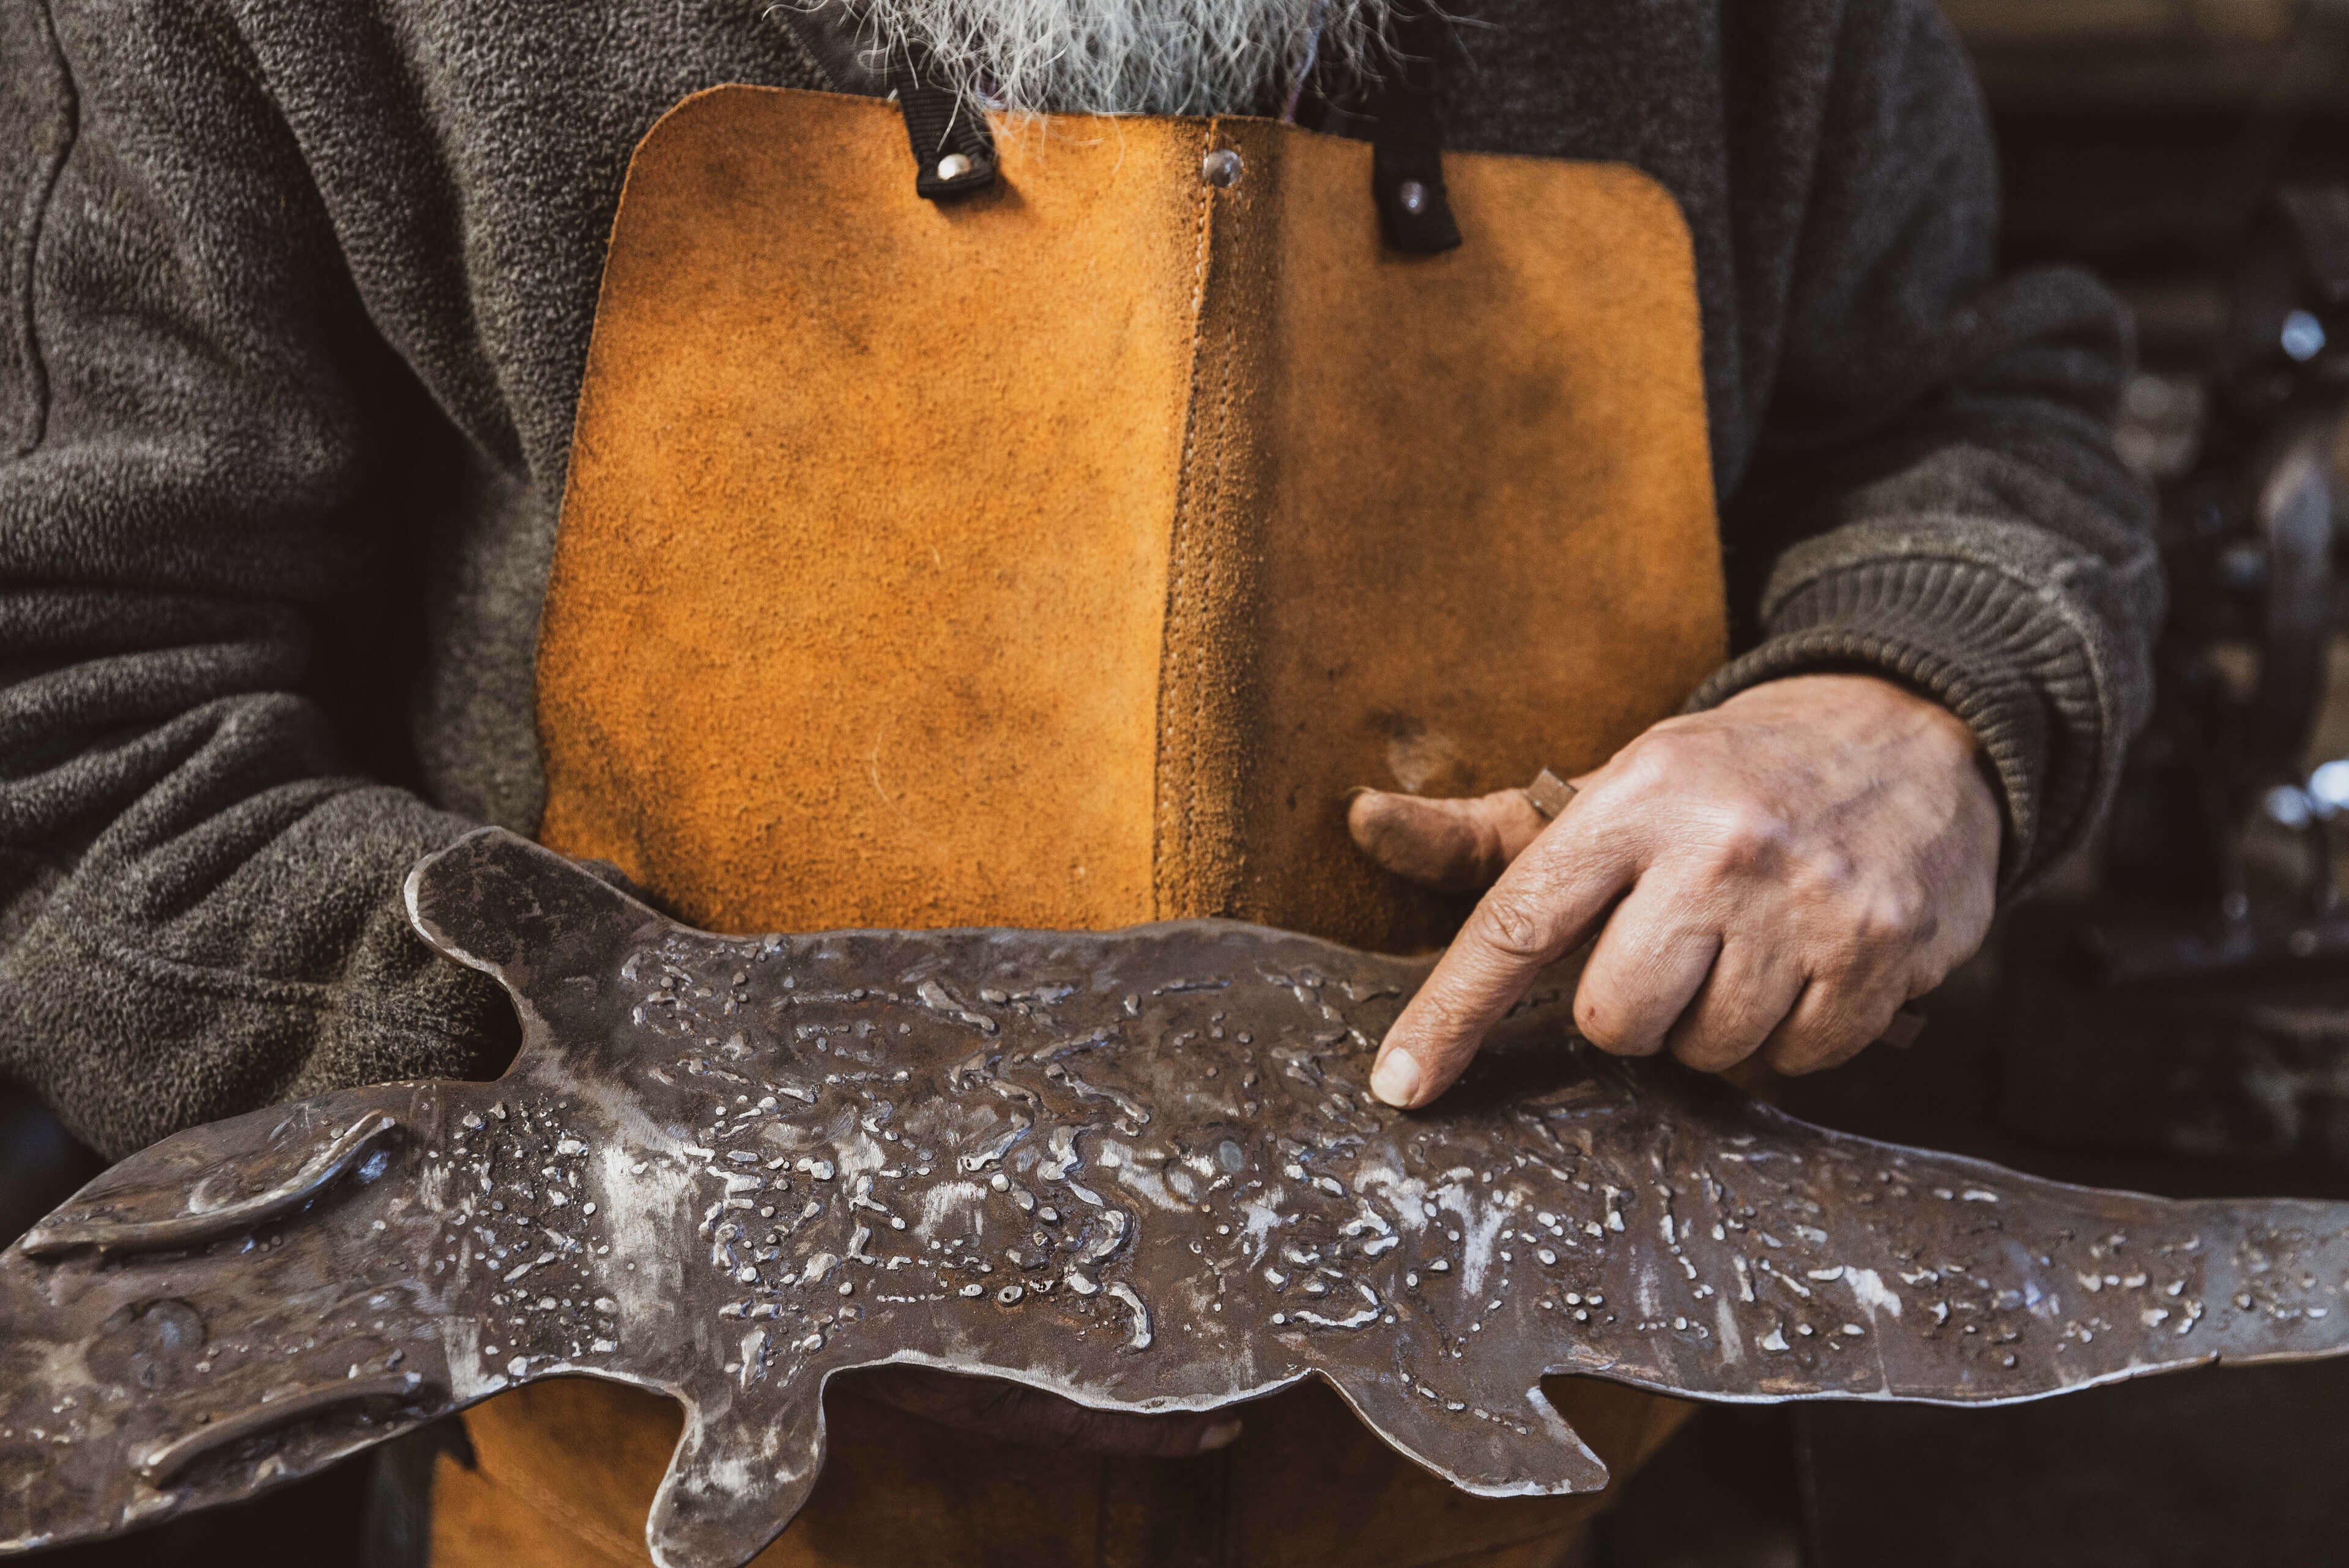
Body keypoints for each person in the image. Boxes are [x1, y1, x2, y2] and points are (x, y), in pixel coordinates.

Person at [0, 0, 2156, 1562]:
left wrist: (1915, 709)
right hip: (645, 1518)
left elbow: (1974, 410)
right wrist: (626, 1131)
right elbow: (73, 703)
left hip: (1540, 1513)